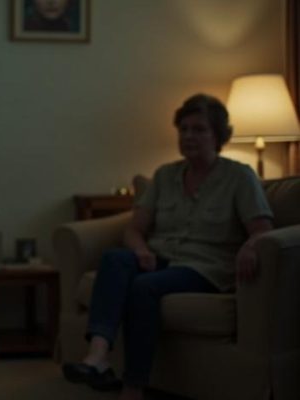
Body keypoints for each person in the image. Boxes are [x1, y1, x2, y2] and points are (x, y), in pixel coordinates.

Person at [61, 94, 273, 400]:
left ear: (218, 135)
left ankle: (133, 386)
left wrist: (252, 247)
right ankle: (98, 356)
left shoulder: (240, 177)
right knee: (115, 259)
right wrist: (140, 250)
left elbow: (262, 232)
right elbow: (134, 229)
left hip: (206, 267)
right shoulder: (165, 175)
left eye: (198, 129)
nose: (188, 136)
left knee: (144, 287)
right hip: (161, 257)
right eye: (183, 129)